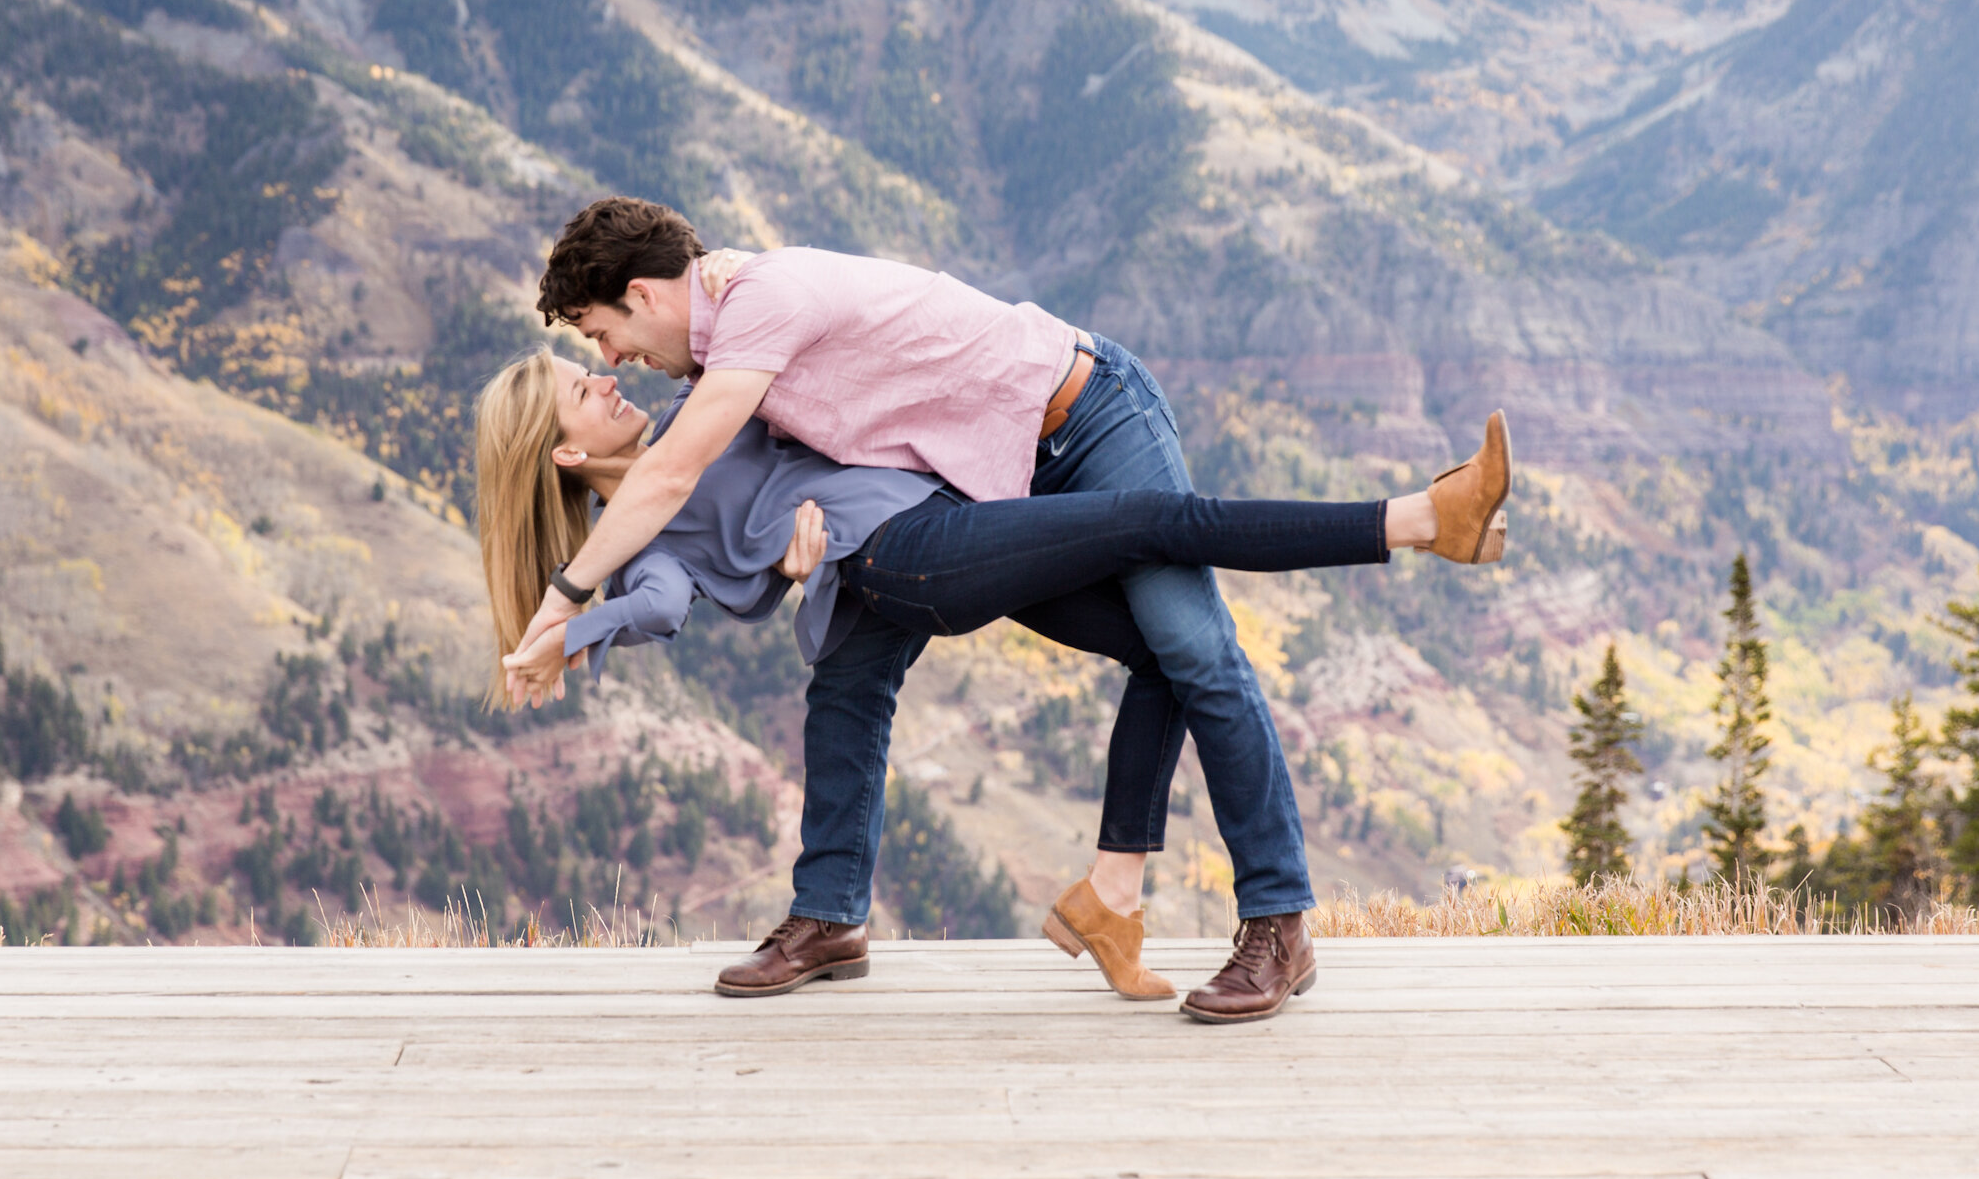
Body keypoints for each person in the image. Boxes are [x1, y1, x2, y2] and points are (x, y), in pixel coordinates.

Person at [503, 198, 1512, 1023]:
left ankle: (1278, 916)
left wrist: (563, 600)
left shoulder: (754, 306)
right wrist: (786, 562)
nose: (614, 359)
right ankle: (852, 913)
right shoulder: (727, 341)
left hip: (1086, 415)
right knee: (852, 673)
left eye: (605, 334)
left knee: (1193, 645)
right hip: (982, 485)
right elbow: (726, 528)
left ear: (640, 294)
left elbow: (676, 474)